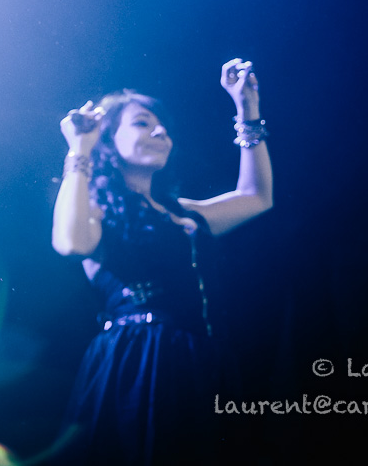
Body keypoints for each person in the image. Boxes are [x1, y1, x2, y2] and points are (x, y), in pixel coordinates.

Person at [51, 59, 274, 464]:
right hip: (141, 360)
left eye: (163, 127)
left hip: (204, 360)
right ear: (108, 140)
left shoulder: (184, 212)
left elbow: (256, 197)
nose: (160, 132)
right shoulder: (97, 208)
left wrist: (247, 109)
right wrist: (79, 149)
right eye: (142, 123)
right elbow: (71, 243)